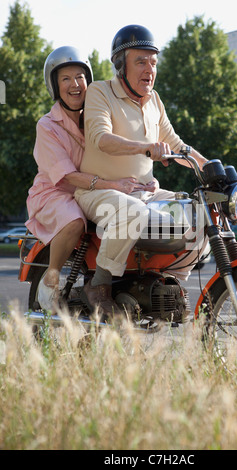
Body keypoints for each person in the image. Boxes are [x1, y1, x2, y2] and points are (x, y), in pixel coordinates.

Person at [74, 25, 207, 321]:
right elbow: (100, 138)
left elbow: (176, 145)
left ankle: (169, 285)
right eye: (141, 61)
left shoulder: (154, 101)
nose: (150, 69)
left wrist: (211, 168)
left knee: (199, 213)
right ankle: (99, 286)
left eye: (154, 62)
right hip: (99, 191)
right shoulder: (100, 92)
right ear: (121, 65)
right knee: (133, 211)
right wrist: (145, 147)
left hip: (145, 192)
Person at [26, 45, 156, 311]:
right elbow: (69, 176)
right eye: (65, 78)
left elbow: (119, 156)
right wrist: (112, 184)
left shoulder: (96, 118)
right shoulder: (48, 125)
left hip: (94, 191)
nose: (75, 85)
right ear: (54, 85)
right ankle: (51, 278)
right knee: (74, 221)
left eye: (80, 77)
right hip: (56, 192)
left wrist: (142, 179)